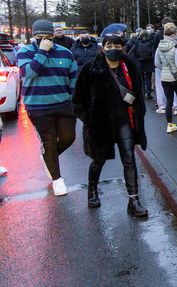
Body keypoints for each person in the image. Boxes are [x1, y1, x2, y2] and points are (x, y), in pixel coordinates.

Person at [72, 33, 149, 217]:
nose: (113, 49)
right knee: (99, 160)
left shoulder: (130, 66)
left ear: (122, 47)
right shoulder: (91, 69)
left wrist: (139, 113)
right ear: (102, 47)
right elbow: (77, 102)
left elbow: (138, 95)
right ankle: (92, 191)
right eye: (109, 45)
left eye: (117, 45)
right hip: (101, 124)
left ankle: (133, 199)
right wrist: (90, 120)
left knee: (129, 159)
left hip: (125, 120)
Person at [17, 19, 78, 196]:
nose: (44, 40)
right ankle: (57, 179)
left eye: (47, 37)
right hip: (38, 106)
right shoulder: (25, 52)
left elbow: (73, 77)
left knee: (68, 138)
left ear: (53, 36)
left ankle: (48, 157)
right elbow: (29, 73)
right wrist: (42, 52)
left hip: (63, 103)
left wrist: (73, 98)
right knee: (49, 142)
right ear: (33, 36)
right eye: (39, 37)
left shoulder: (65, 53)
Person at [153, 17, 177, 115]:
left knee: (161, 87)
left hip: (162, 66)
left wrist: (159, 67)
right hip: (174, 66)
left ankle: (163, 106)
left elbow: (156, 54)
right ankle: (176, 106)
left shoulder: (157, 36)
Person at [134, 30, 156, 100]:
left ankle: (143, 93)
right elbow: (153, 52)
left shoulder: (137, 42)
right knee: (148, 79)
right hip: (149, 62)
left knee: (142, 79)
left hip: (140, 62)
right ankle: (149, 94)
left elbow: (135, 52)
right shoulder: (151, 41)